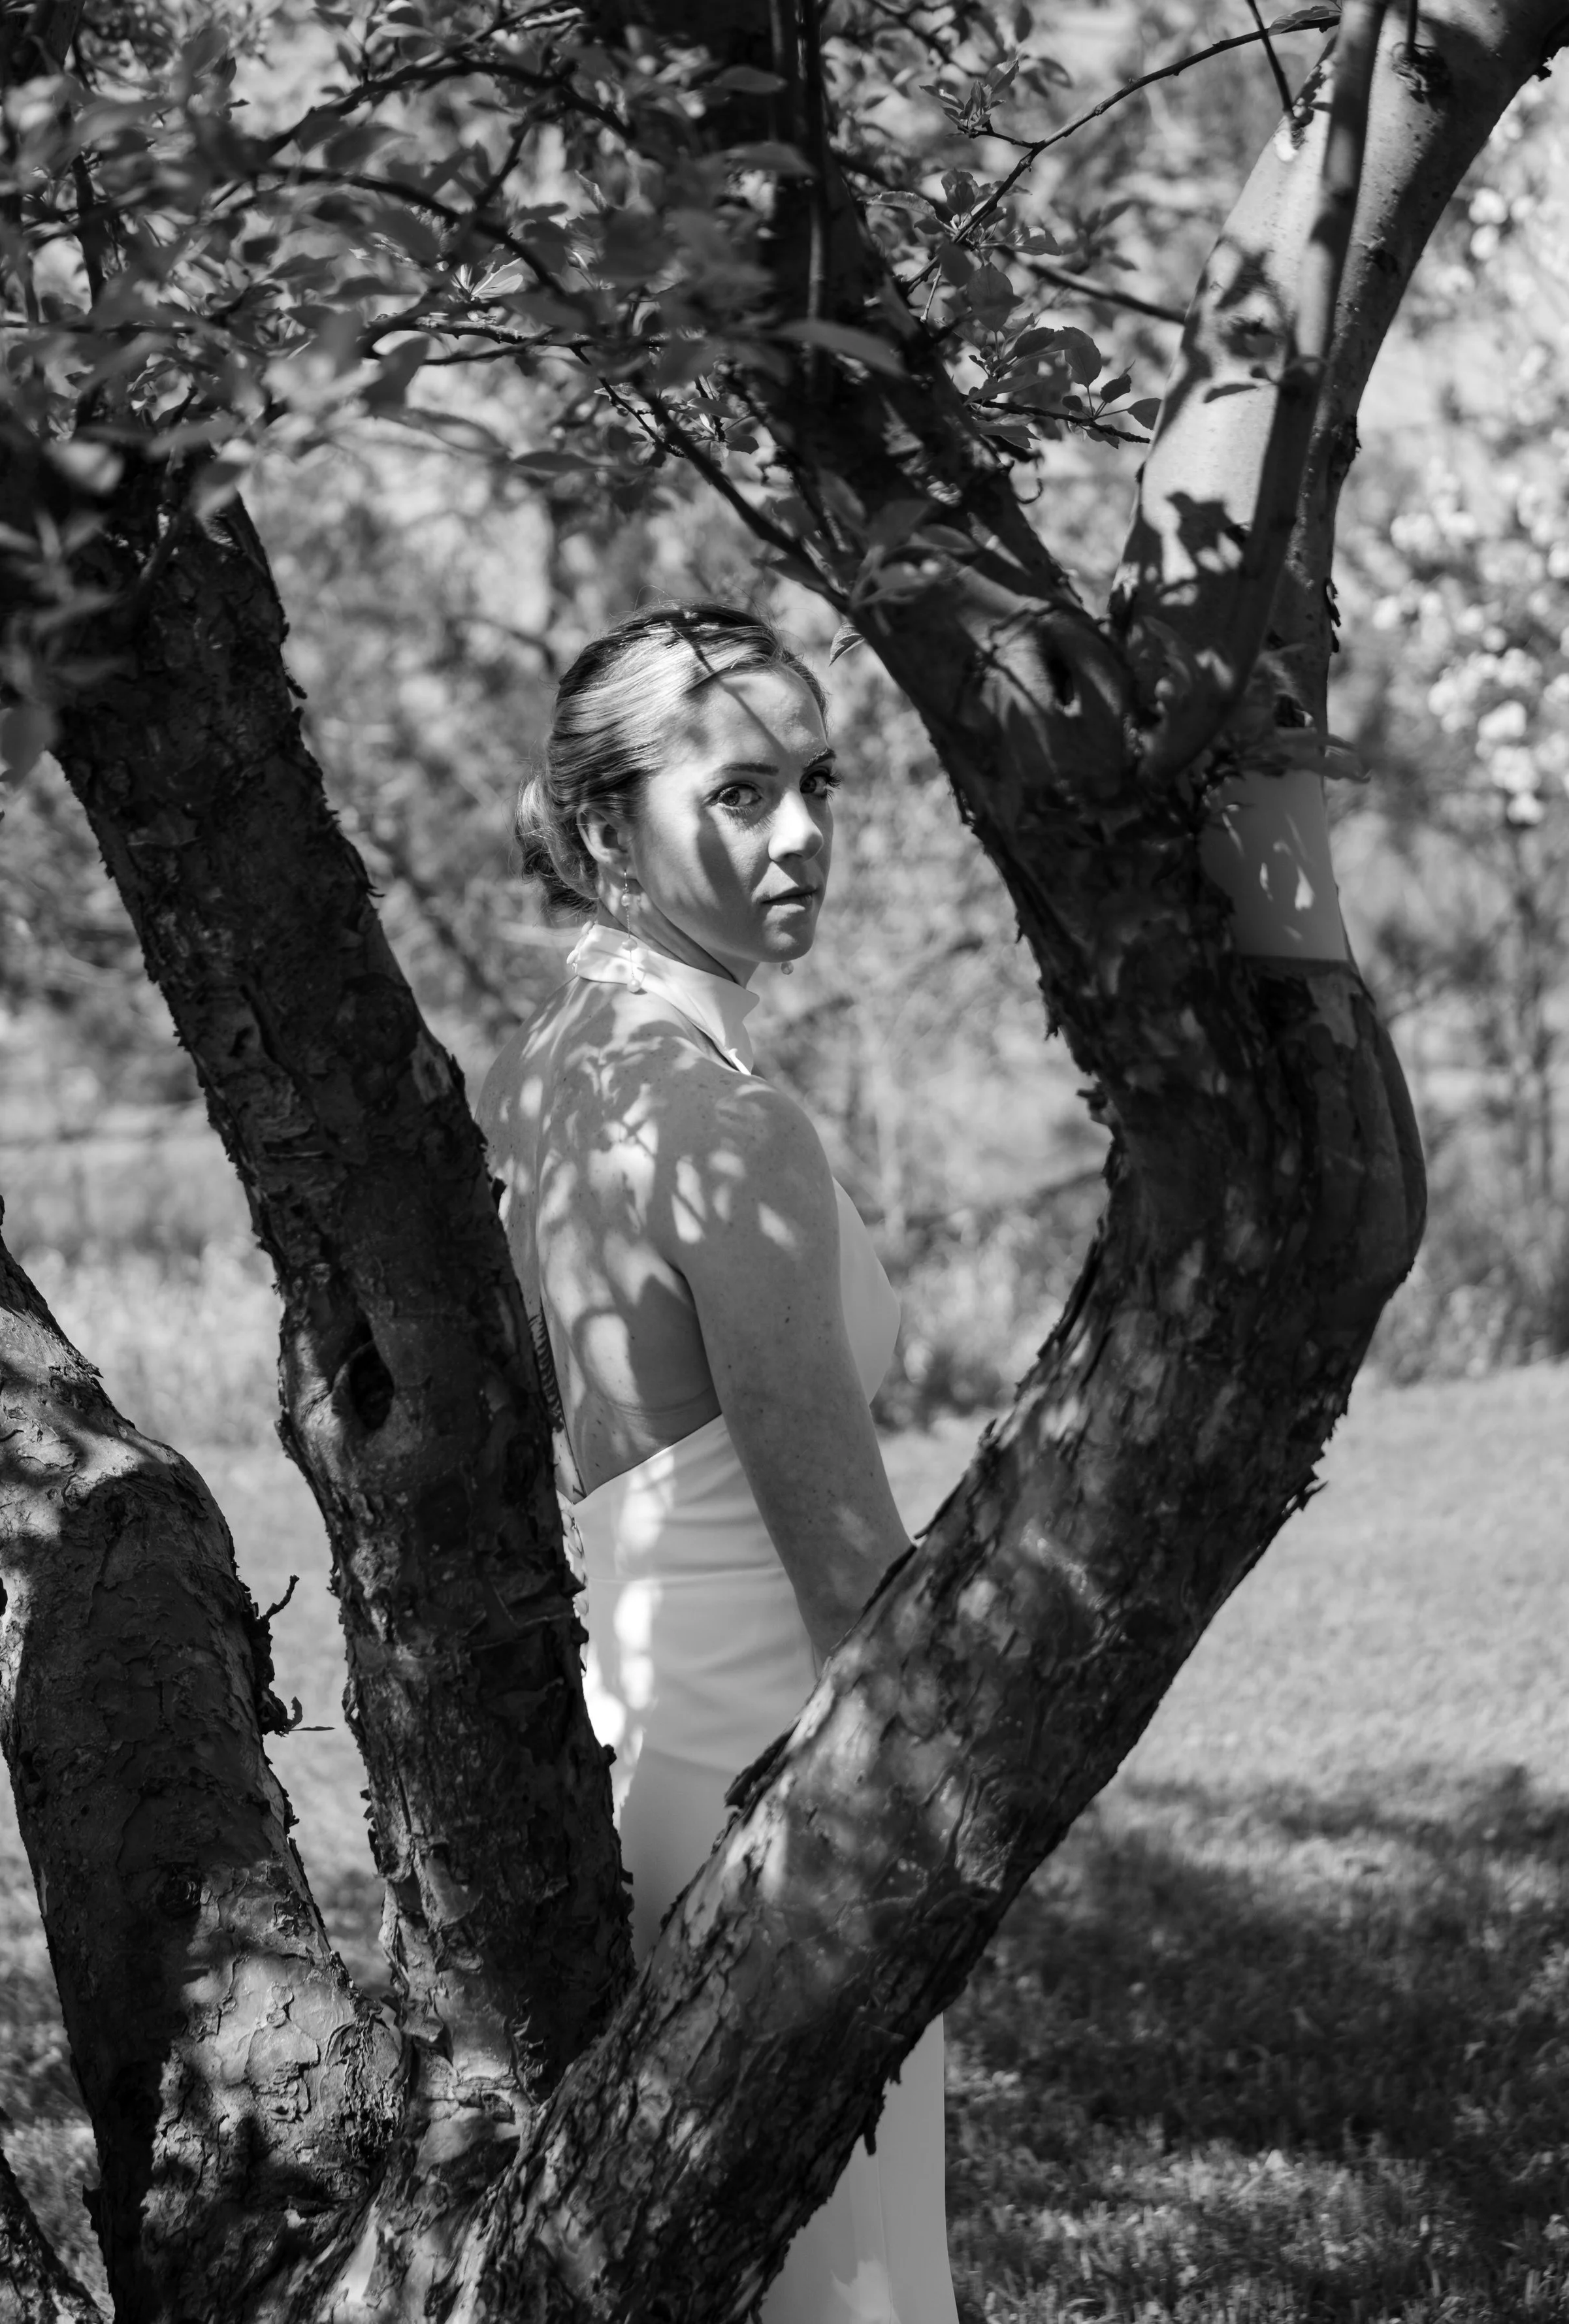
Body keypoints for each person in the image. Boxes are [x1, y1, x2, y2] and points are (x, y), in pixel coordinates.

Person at [480, 605, 958, 2324]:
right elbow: (847, 1569)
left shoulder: (543, 1076)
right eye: (743, 791)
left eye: (816, 782)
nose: (805, 832)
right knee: (855, 2286)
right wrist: (956, 1819)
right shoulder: (725, 1117)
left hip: (639, 1766)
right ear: (609, 828)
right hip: (785, 1797)